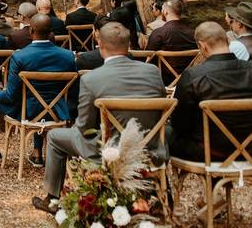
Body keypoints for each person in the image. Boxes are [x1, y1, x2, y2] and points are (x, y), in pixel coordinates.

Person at [32, 22, 166, 213]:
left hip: (107, 150)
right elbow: (160, 112)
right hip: (149, 147)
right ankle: (156, 197)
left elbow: (84, 127)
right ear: (128, 45)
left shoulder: (91, 79)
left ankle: (52, 199)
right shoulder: (153, 72)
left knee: (54, 137)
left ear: (100, 45)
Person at [0, 14, 76, 164]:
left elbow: (10, 97)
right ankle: (37, 152)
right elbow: (73, 90)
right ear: (50, 32)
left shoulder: (20, 57)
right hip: (58, 111)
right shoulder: (67, 56)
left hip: (27, 111)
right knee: (37, 97)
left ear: (31, 31)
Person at [170, 21, 252, 162]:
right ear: (228, 40)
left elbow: (180, 124)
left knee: (165, 132)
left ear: (202, 46)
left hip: (208, 152)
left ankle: (164, 183)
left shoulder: (193, 76)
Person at [145, 0, 197, 81]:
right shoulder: (194, 33)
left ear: (165, 12)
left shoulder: (159, 33)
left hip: (165, 81)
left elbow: (147, 60)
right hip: (191, 78)